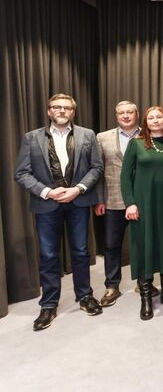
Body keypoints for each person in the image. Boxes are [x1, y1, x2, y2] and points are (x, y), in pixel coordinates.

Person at [14, 93, 104, 331]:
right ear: (49, 111)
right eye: (57, 107)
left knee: (81, 252)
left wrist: (78, 189)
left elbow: (96, 167)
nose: (62, 110)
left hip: (78, 201)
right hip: (46, 204)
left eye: (67, 107)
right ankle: (49, 304)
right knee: (48, 255)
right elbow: (21, 172)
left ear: (73, 112)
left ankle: (85, 296)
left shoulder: (87, 135)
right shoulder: (31, 137)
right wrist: (46, 192)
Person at [120, 106, 163, 320]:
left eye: (159, 117)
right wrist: (130, 203)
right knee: (145, 247)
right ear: (146, 122)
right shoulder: (136, 144)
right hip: (144, 204)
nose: (156, 120)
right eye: (151, 118)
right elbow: (125, 176)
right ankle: (146, 296)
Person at [94, 100, 155, 307]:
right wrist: (99, 199)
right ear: (116, 115)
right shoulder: (102, 138)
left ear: (137, 114)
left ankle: (144, 282)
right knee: (112, 245)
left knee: (142, 244)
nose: (126, 116)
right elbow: (98, 171)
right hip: (113, 200)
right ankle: (112, 285)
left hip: (142, 199)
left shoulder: (149, 135)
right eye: (122, 113)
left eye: (130, 112)